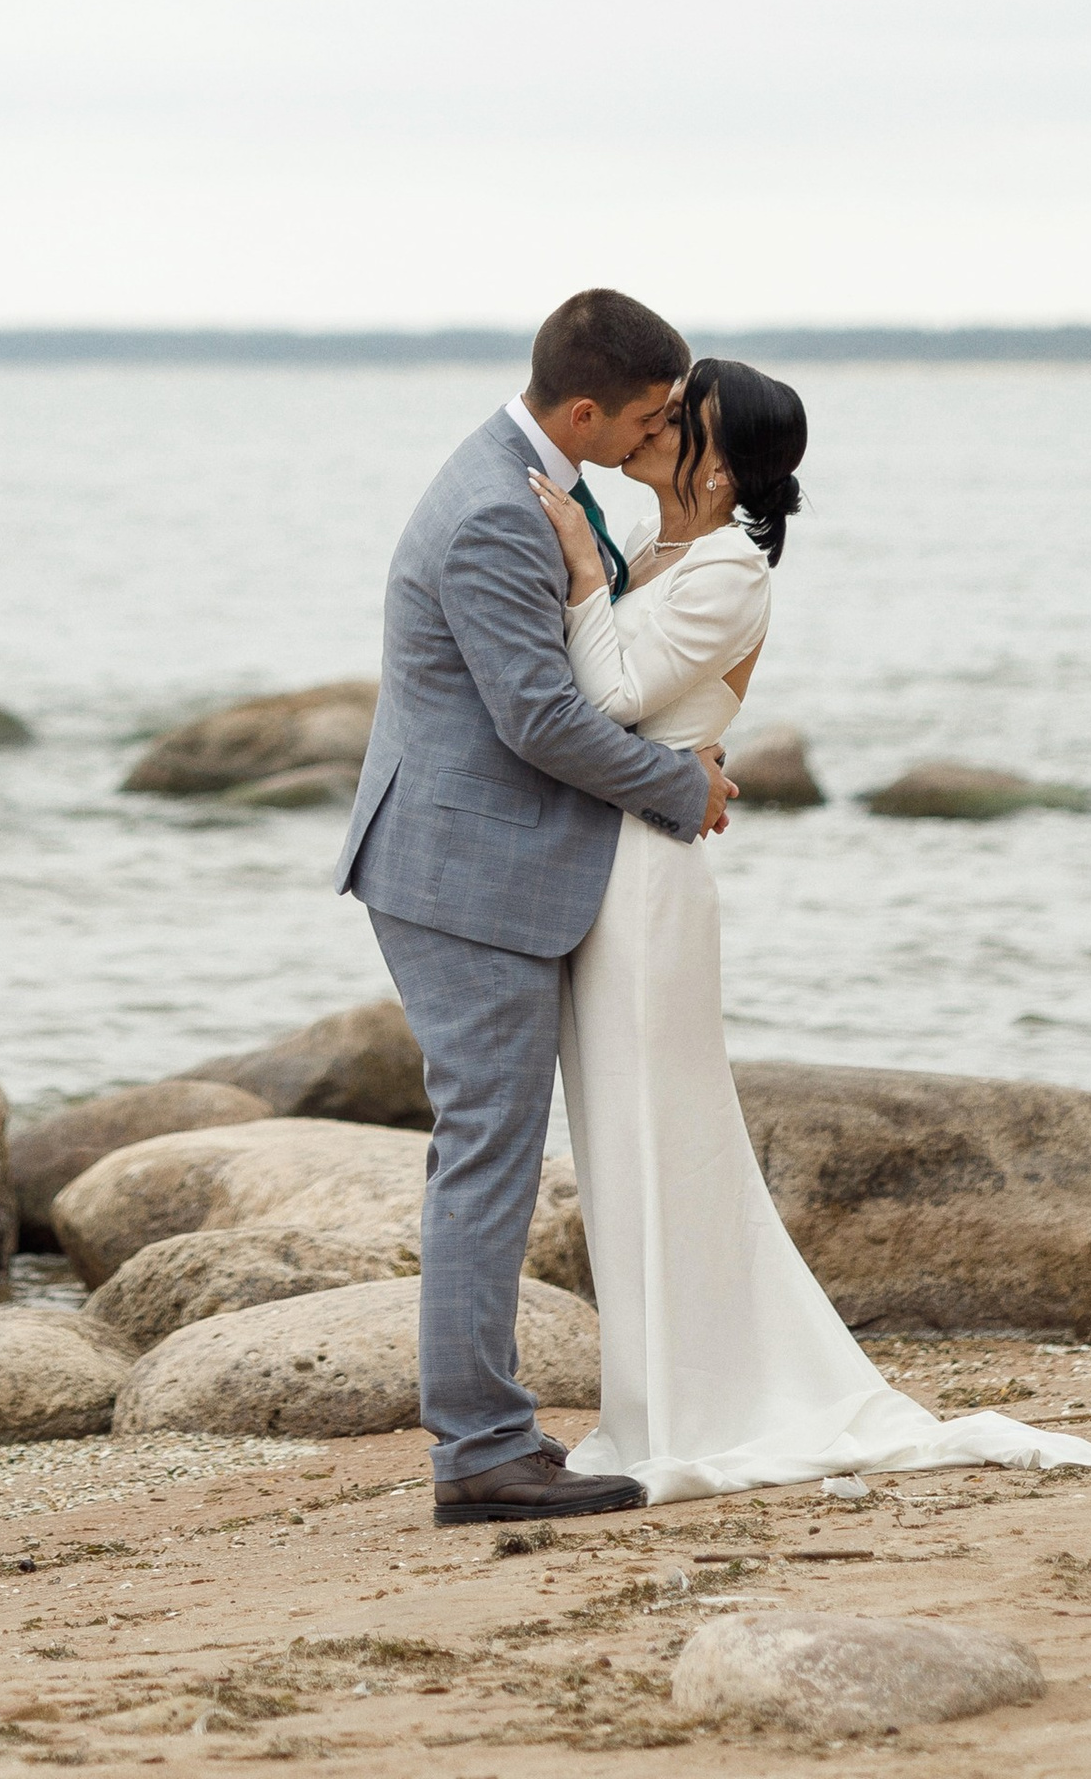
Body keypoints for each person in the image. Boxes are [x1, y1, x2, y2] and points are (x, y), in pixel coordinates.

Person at [536, 356, 1091, 1496]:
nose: (651, 431)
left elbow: (603, 698)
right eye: (654, 415)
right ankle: (655, 1397)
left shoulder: (728, 572)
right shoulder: (647, 552)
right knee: (618, 1141)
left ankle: (707, 1403)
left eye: (678, 421)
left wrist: (574, 583)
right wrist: (594, 582)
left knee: (666, 1131)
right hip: (603, 862)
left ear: (725, 455)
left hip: (648, 882)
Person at [334, 287, 736, 1524]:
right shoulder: (495, 515)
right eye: (651, 416)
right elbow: (538, 718)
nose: (657, 435)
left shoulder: (533, 484)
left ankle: (492, 1438)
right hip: (464, 878)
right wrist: (680, 786)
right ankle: (480, 1453)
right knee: (487, 1160)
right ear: (582, 408)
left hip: (479, 862)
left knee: (488, 1155)